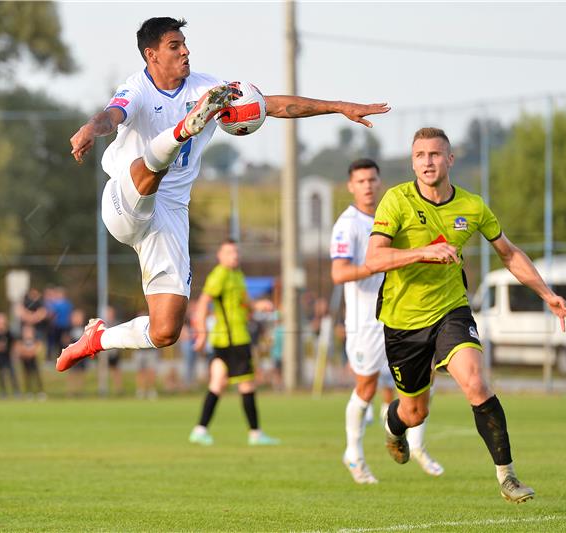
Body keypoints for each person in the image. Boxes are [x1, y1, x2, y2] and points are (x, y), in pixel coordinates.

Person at [56, 16, 389, 372]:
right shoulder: (136, 88)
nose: (185, 51)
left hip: (170, 214)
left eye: (184, 44)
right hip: (125, 199)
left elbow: (271, 104)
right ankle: (183, 129)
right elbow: (112, 115)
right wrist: (91, 128)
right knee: (152, 167)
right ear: (151, 55)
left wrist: (337, 106)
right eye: (174, 46)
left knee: (166, 329)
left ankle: (96, 339)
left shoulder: (208, 89)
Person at [365, 128, 566, 503]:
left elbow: (508, 253)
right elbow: (374, 259)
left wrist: (548, 294)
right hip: (403, 322)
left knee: (476, 383)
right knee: (415, 412)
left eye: (435, 154)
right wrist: (422, 253)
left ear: (450, 159)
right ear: (412, 161)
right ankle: (394, 425)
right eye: (420, 155)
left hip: (451, 311)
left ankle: (507, 477)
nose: (427, 162)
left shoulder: (473, 206)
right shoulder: (395, 201)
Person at [330, 158, 442, 484]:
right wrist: (377, 263)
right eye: (361, 181)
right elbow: (339, 273)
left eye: (372, 180)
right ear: (351, 186)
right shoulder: (347, 225)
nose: (367, 185)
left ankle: (417, 444)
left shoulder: (391, 215)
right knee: (365, 387)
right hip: (366, 322)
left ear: (379, 182)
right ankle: (353, 453)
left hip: (403, 313)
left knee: (425, 379)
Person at [188, 240, 279, 446]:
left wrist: (258, 305)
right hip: (233, 340)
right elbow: (203, 303)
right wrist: (201, 333)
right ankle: (255, 434)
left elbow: (244, 303)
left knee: (217, 382)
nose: (234, 256)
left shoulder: (237, 275)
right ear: (220, 256)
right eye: (229, 252)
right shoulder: (219, 274)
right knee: (247, 384)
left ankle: (200, 430)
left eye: (236, 252)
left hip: (227, 339)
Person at [0, 312, 20, 398]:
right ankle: (3, 392)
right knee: (1, 375)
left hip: (8, 357)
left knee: (12, 374)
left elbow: (14, 343)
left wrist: (14, 352)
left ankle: (16, 391)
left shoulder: (9, 333)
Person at [14, 324, 45, 399]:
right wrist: (27, 353)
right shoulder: (21, 341)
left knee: (37, 376)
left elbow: (38, 350)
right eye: (26, 332)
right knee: (26, 377)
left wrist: (31, 353)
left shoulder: (36, 341)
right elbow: (18, 349)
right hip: (25, 362)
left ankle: (40, 392)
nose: (27, 333)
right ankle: (29, 392)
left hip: (34, 361)